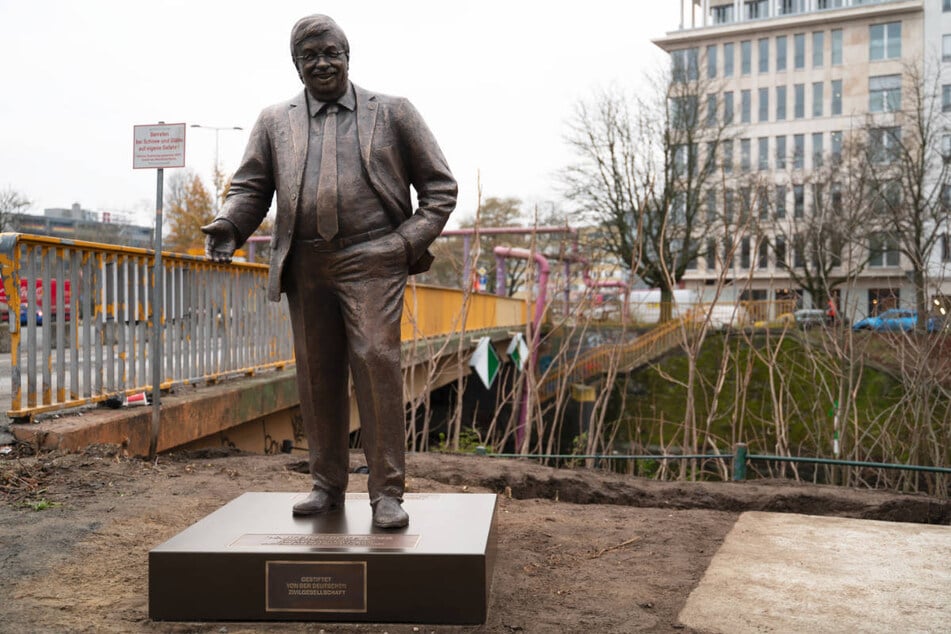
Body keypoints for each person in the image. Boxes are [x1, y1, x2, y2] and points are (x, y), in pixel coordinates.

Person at [201, 14, 457, 528]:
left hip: (373, 259)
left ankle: (387, 493)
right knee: (318, 376)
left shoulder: (393, 112)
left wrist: (400, 245)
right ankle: (326, 485)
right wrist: (231, 224)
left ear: (347, 54)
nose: (321, 63)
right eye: (309, 56)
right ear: (296, 64)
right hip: (306, 265)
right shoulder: (275, 121)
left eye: (330, 53)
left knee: (376, 361)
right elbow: (251, 187)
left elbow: (440, 190)